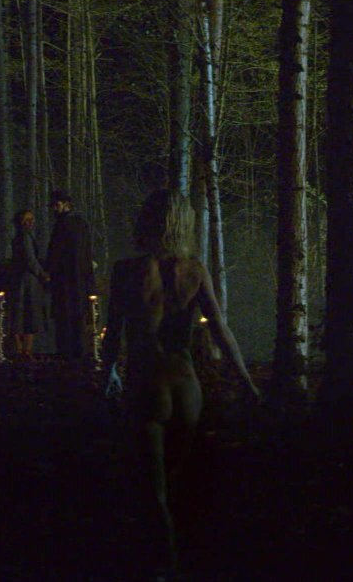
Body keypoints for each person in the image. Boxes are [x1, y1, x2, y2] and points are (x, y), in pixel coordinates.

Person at [99, 188, 260, 576]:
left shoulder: (126, 271)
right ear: (184, 224)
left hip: (148, 383)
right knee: (176, 482)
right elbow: (220, 329)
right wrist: (246, 380)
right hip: (187, 386)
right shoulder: (194, 271)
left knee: (154, 491)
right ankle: (188, 562)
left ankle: (164, 565)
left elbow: (113, 332)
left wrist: (108, 372)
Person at [44, 189, 97, 360]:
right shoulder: (79, 223)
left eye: (57, 205)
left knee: (66, 319)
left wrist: (49, 270)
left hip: (66, 281)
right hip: (77, 280)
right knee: (75, 318)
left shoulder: (64, 225)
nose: (54, 208)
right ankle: (75, 355)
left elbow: (56, 253)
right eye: (53, 205)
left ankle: (68, 356)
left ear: (66, 204)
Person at [5, 210, 50, 360]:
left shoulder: (24, 236)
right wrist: (42, 274)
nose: (30, 222)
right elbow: (30, 259)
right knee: (26, 313)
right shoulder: (24, 237)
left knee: (24, 314)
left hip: (24, 280)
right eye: (26, 219)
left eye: (31, 219)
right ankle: (23, 349)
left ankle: (24, 349)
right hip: (26, 281)